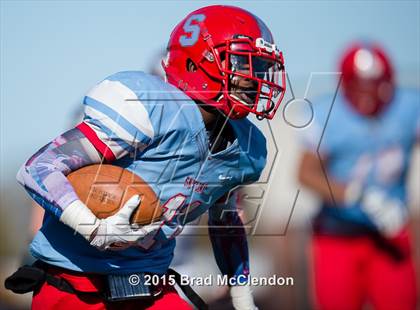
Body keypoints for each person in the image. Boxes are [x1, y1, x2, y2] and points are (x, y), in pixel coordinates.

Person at [10, 5, 286, 310]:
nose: (254, 79)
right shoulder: (147, 108)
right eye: (243, 65)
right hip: (74, 285)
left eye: (260, 67)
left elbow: (225, 222)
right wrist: (92, 226)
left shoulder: (247, 147)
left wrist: (242, 297)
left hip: (150, 287)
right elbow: (38, 167)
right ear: (198, 64)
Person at [298, 42, 418, 310]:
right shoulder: (327, 112)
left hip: (390, 235)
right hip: (337, 236)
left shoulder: (408, 106)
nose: (368, 94)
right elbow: (305, 173)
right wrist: (357, 196)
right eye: (360, 86)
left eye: (374, 84)